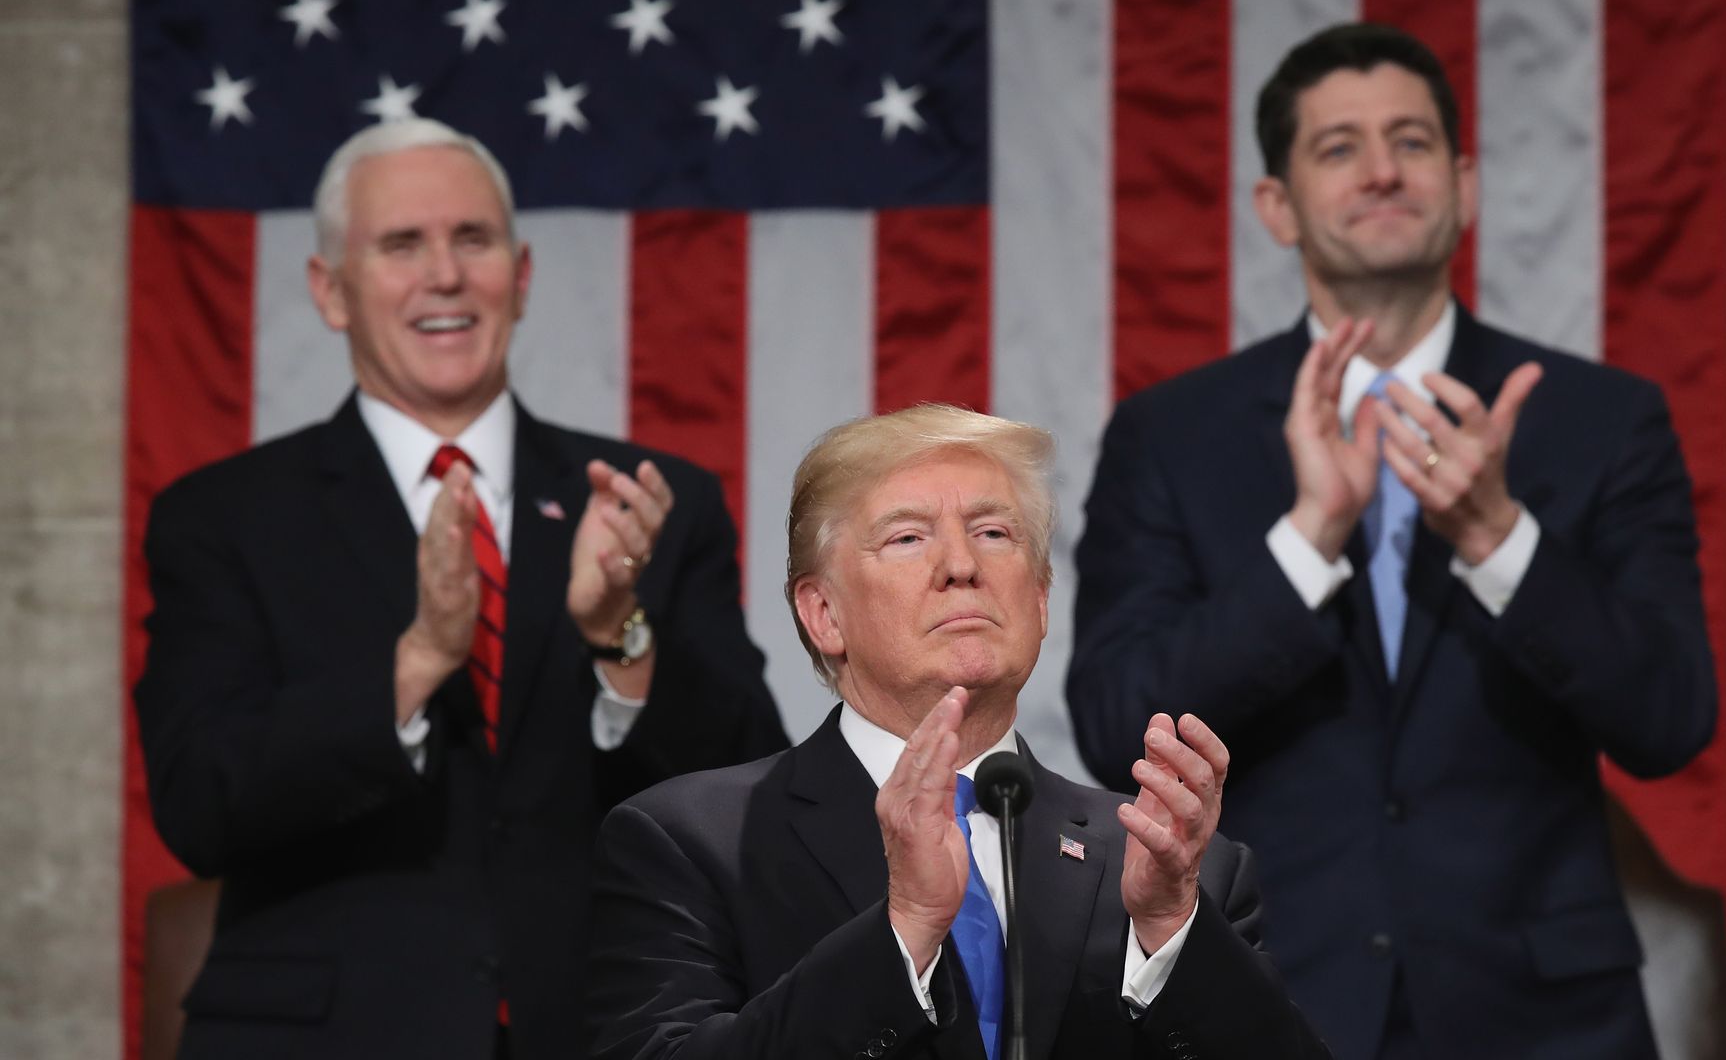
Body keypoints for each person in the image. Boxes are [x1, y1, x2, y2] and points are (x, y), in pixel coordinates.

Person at [1067, 23, 1718, 1060]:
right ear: (1275, 206)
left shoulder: (1601, 419)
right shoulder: (1170, 435)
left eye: (1411, 142)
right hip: (1264, 1001)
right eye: (1338, 148)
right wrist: (1308, 538)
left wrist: (1499, 538)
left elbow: (1671, 716)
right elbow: (1115, 723)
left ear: (1462, 182)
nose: (1381, 170)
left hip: (1543, 1021)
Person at [134, 118, 789, 1060]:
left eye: (472, 240)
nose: (444, 275)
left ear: (518, 277)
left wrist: (621, 641)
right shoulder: (224, 517)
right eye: (402, 244)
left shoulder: (650, 503)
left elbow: (748, 800)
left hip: (603, 1030)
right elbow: (201, 806)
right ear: (330, 291)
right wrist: (415, 665)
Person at [587, 404, 1328, 1059]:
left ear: (1039, 602)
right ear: (824, 615)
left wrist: (1169, 929)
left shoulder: (1168, 865)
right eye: (908, 538)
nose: (962, 565)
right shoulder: (689, 843)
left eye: (994, 532)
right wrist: (905, 928)